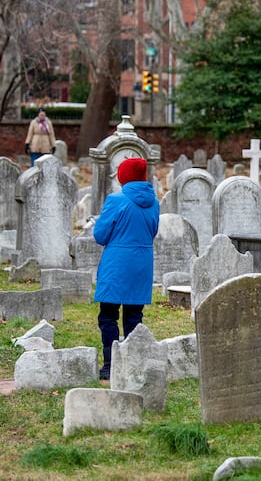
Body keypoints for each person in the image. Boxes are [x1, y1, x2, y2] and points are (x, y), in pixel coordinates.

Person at [93, 158, 160, 380]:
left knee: (108, 316)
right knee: (134, 316)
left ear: (123, 177)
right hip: (141, 262)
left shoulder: (116, 200)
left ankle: (111, 364)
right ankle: (132, 361)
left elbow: (100, 235)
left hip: (117, 263)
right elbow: (152, 231)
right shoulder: (154, 202)